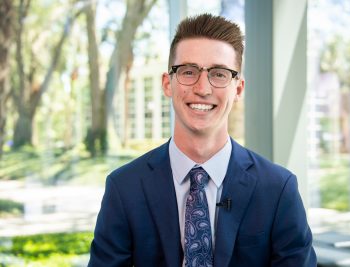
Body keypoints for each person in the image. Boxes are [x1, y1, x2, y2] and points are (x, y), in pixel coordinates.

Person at [88, 13, 317, 267]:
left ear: (238, 88)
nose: (203, 88)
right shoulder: (124, 188)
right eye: (188, 71)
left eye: (219, 74)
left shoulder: (278, 189)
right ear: (168, 84)